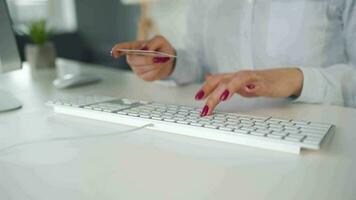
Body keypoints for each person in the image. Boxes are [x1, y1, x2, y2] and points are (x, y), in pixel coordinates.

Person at [112, 0, 356, 116]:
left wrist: (297, 80)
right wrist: (172, 62)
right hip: (225, 124)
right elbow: (200, 62)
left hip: (326, 133)